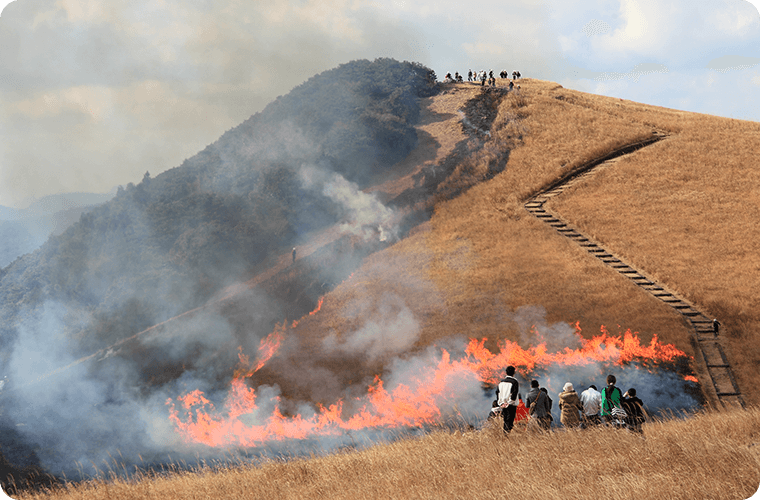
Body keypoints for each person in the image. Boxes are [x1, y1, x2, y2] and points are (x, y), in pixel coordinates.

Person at [495, 365, 519, 433]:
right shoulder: (514, 382)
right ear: (514, 373)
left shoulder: (501, 382)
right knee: (510, 421)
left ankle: (505, 435)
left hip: (503, 404)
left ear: (506, 372)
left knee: (505, 420)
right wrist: (509, 402)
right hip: (511, 405)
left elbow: (497, 393)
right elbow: (514, 394)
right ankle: (506, 435)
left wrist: (501, 403)